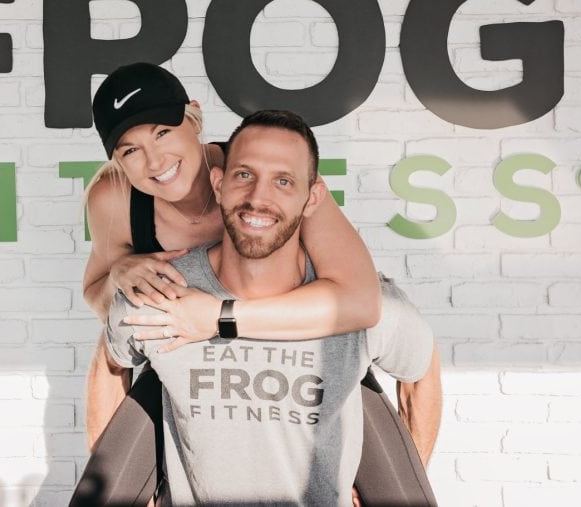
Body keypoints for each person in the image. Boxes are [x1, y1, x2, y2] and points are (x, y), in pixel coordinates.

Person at [103, 109, 442, 505]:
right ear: (219, 183)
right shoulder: (162, 291)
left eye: (283, 181)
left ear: (312, 197)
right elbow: (110, 366)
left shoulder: (367, 305)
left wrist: (387, 483)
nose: (259, 198)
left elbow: (420, 372)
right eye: (245, 175)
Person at [80, 63, 383, 447]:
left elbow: (360, 301)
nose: (155, 161)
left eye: (162, 133)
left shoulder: (266, 172)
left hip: (299, 361)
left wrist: (218, 319)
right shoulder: (113, 197)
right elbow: (99, 300)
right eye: (131, 150)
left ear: (194, 116)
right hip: (195, 377)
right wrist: (119, 272)